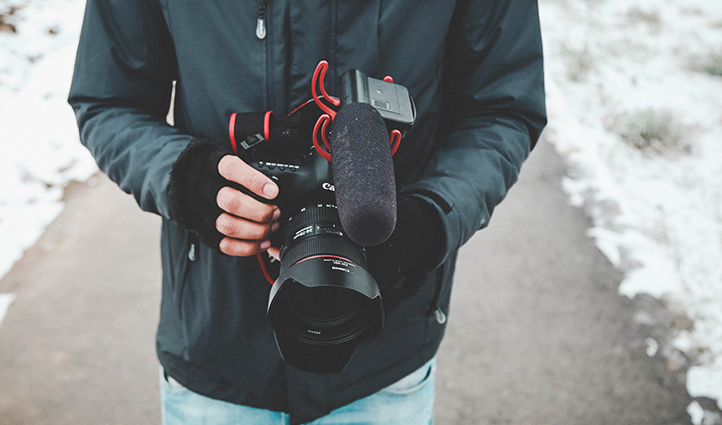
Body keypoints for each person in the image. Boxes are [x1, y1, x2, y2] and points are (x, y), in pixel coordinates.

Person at [68, 1, 546, 424]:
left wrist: (430, 221)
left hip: (383, 358)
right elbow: (108, 99)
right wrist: (187, 180)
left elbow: (502, 108)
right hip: (217, 346)